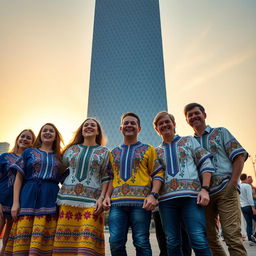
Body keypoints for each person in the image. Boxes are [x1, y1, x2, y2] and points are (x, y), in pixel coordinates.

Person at [184, 103, 248, 256]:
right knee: (210, 238)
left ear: (204, 115)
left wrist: (233, 184)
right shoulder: (187, 143)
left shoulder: (220, 132)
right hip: (203, 196)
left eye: (196, 113)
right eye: (190, 115)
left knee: (232, 236)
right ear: (187, 120)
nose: (194, 117)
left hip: (225, 189)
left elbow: (239, 156)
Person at [103, 112, 164, 256]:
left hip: (141, 204)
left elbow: (158, 173)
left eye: (133, 123)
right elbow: (111, 177)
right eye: (126, 123)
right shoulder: (113, 153)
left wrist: (153, 195)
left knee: (141, 242)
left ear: (139, 128)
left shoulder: (149, 149)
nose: (129, 125)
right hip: (117, 204)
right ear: (121, 128)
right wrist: (106, 196)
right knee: (115, 242)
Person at [153, 111, 214, 256]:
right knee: (172, 242)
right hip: (166, 201)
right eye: (160, 124)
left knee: (198, 239)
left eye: (167, 121)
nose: (164, 125)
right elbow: (155, 176)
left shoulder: (188, 141)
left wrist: (205, 189)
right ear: (157, 129)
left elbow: (205, 162)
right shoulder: (155, 151)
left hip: (191, 199)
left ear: (174, 124)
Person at [52, 118, 111, 256]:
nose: (89, 127)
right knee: (64, 245)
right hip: (67, 201)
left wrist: (102, 198)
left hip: (93, 202)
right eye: (86, 125)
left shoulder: (104, 152)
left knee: (87, 246)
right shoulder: (71, 150)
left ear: (97, 131)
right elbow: (58, 169)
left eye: (93, 125)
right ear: (82, 130)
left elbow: (107, 177)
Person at [4, 123, 63, 255]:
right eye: (44, 130)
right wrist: (15, 203)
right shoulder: (29, 152)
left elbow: (66, 178)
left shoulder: (60, 156)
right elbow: (19, 178)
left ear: (55, 136)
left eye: (51, 131)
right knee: (23, 232)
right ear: (40, 135)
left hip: (50, 196)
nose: (47, 132)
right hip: (28, 194)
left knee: (44, 235)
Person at [0, 129, 35, 255]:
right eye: (22, 136)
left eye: (28, 138)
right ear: (18, 138)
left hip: (17, 202)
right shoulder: (4, 157)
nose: (24, 139)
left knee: (8, 238)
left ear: (32, 143)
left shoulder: (31, 161)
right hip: (2, 199)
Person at [240, 173, 256, 245]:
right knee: (251, 223)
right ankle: (253, 236)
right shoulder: (247, 186)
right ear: (246, 178)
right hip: (248, 206)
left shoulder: (239, 186)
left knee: (248, 224)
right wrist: (253, 207)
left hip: (242, 206)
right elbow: (249, 197)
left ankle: (250, 239)